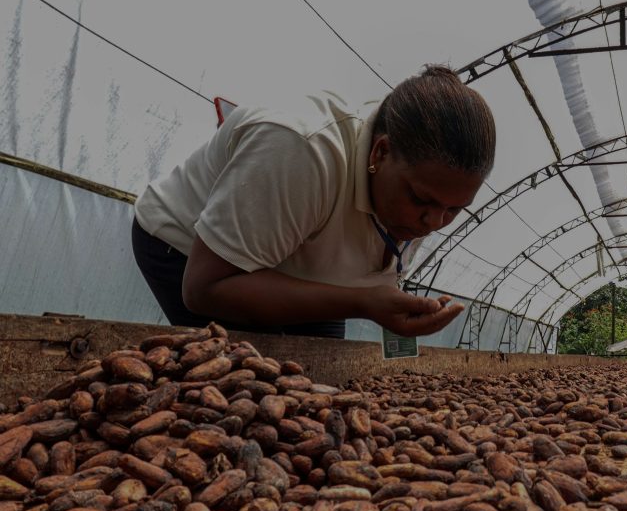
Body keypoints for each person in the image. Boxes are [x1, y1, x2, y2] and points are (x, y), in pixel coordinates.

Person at [131, 65, 495, 339]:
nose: (433, 222)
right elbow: (203, 290)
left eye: (454, 210)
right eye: (421, 200)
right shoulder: (301, 148)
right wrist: (362, 301)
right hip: (194, 256)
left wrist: (380, 318)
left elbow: (374, 278)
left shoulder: (422, 191)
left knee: (320, 384)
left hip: (303, 263)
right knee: (259, 386)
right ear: (380, 153)